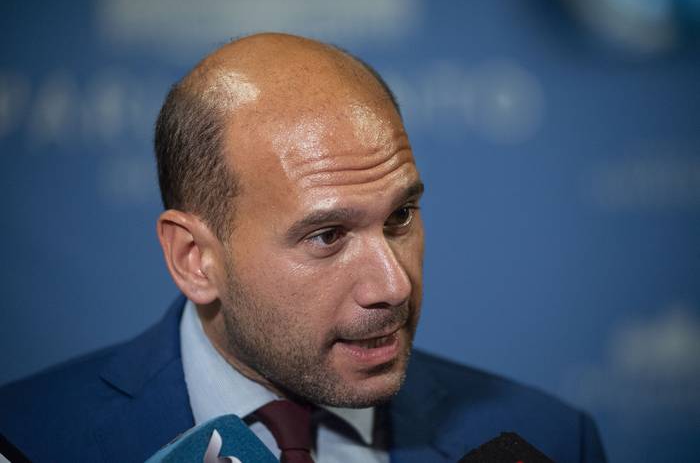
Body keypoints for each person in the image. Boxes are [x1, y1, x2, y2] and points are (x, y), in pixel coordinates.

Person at [0, 33, 607, 463]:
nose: (391, 285)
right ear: (194, 259)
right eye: (327, 236)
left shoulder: (546, 438)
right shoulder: (28, 439)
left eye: (400, 216)